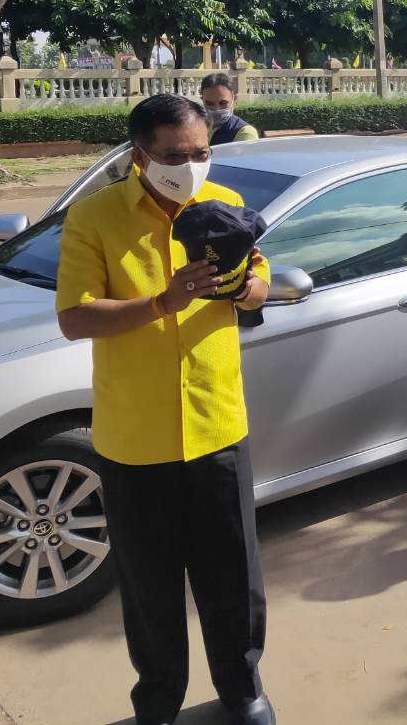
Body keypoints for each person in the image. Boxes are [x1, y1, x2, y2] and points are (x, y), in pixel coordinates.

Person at [56, 93, 274, 725]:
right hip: (135, 439)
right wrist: (162, 302)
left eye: (201, 152)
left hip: (217, 428)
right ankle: (158, 703)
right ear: (138, 155)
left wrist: (240, 285)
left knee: (233, 579)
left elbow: (260, 282)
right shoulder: (93, 218)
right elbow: (74, 317)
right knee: (151, 590)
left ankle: (242, 689)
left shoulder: (226, 206)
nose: (191, 165)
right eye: (175, 155)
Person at [201, 73, 259, 145]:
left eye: (223, 103)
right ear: (202, 100)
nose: (216, 109)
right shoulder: (198, 128)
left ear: (234, 99)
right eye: (210, 104)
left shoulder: (245, 133)